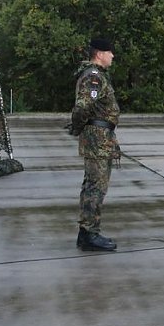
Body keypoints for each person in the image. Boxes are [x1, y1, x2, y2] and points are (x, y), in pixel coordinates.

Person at [70, 38, 120, 251]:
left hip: (100, 137)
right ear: (99, 53)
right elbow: (82, 107)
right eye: (110, 52)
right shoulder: (94, 77)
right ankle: (90, 234)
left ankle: (87, 232)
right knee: (95, 187)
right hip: (97, 139)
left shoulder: (96, 75)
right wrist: (77, 126)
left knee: (93, 185)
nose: (112, 56)